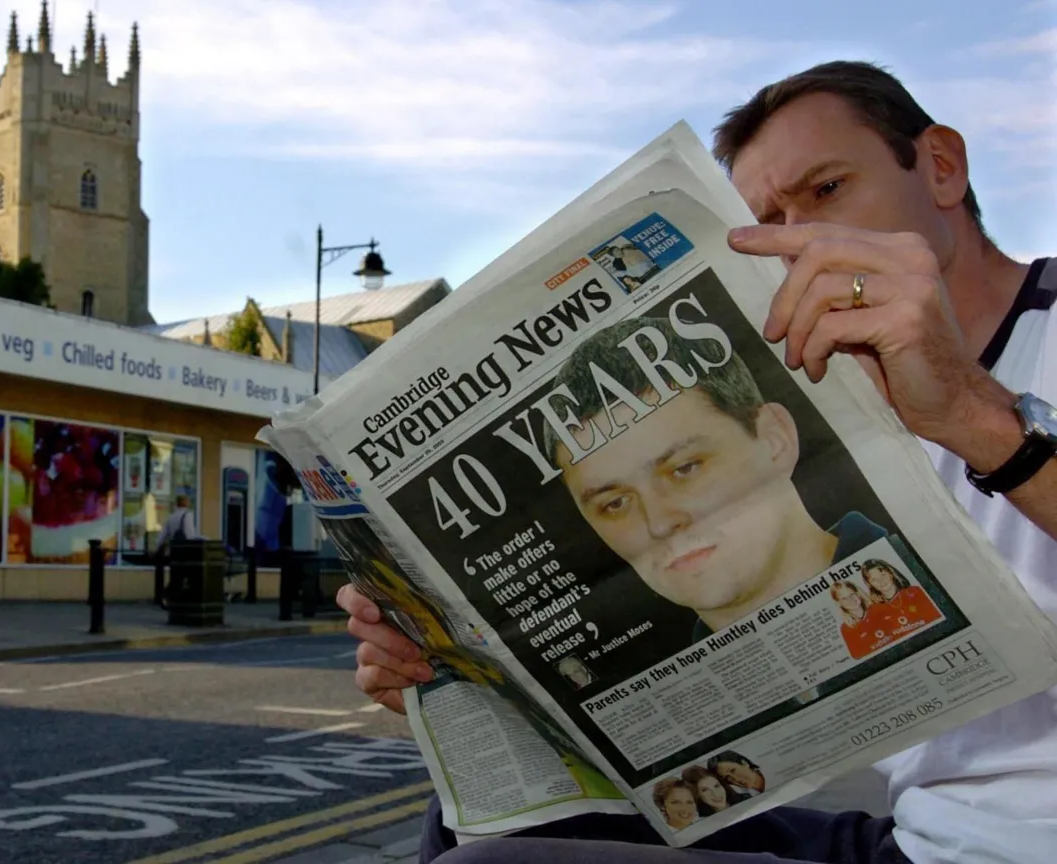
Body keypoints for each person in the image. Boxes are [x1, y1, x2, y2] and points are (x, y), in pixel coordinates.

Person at [340, 59, 1056, 864]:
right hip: (921, 838)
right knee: (495, 820)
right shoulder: (836, 386)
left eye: (825, 191)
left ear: (942, 167)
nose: (797, 243)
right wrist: (460, 683)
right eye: (765, 225)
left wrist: (968, 413)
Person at [537, 313, 899, 643]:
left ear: (775, 442)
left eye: (684, 469)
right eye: (614, 503)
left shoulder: (936, 573)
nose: (660, 523)